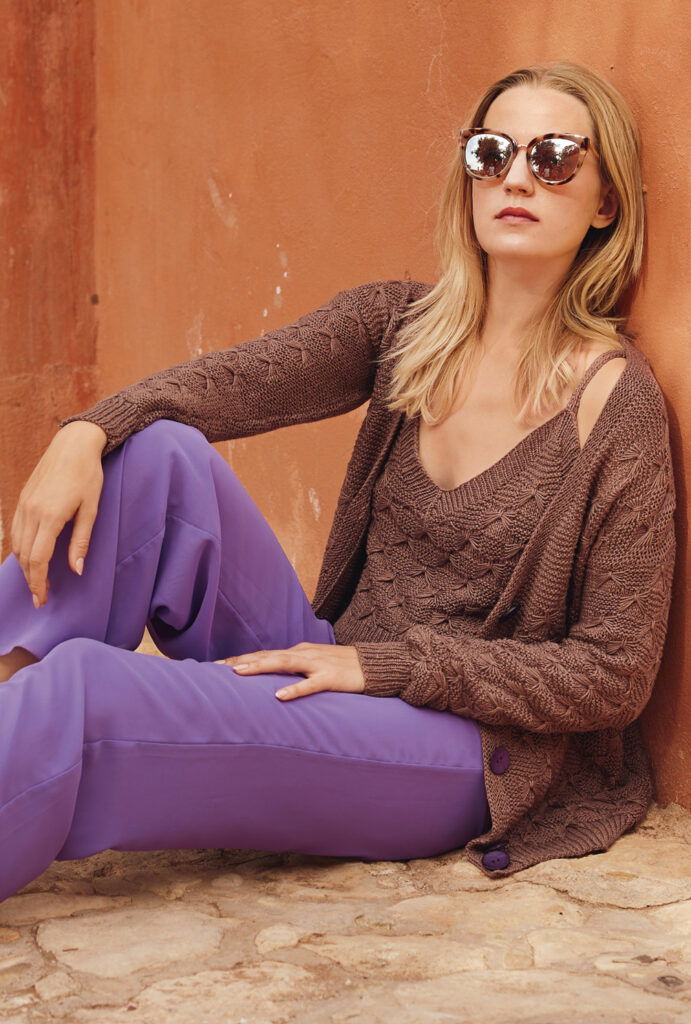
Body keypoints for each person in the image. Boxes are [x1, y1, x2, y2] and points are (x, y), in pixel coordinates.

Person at [0, 60, 676, 902]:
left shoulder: (613, 404)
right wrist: (87, 429)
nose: (515, 178)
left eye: (553, 158)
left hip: (463, 748)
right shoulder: (400, 328)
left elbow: (612, 674)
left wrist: (391, 668)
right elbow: (236, 382)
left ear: (605, 202)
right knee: (154, 455)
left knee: (87, 692)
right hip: (331, 665)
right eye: (491, 152)